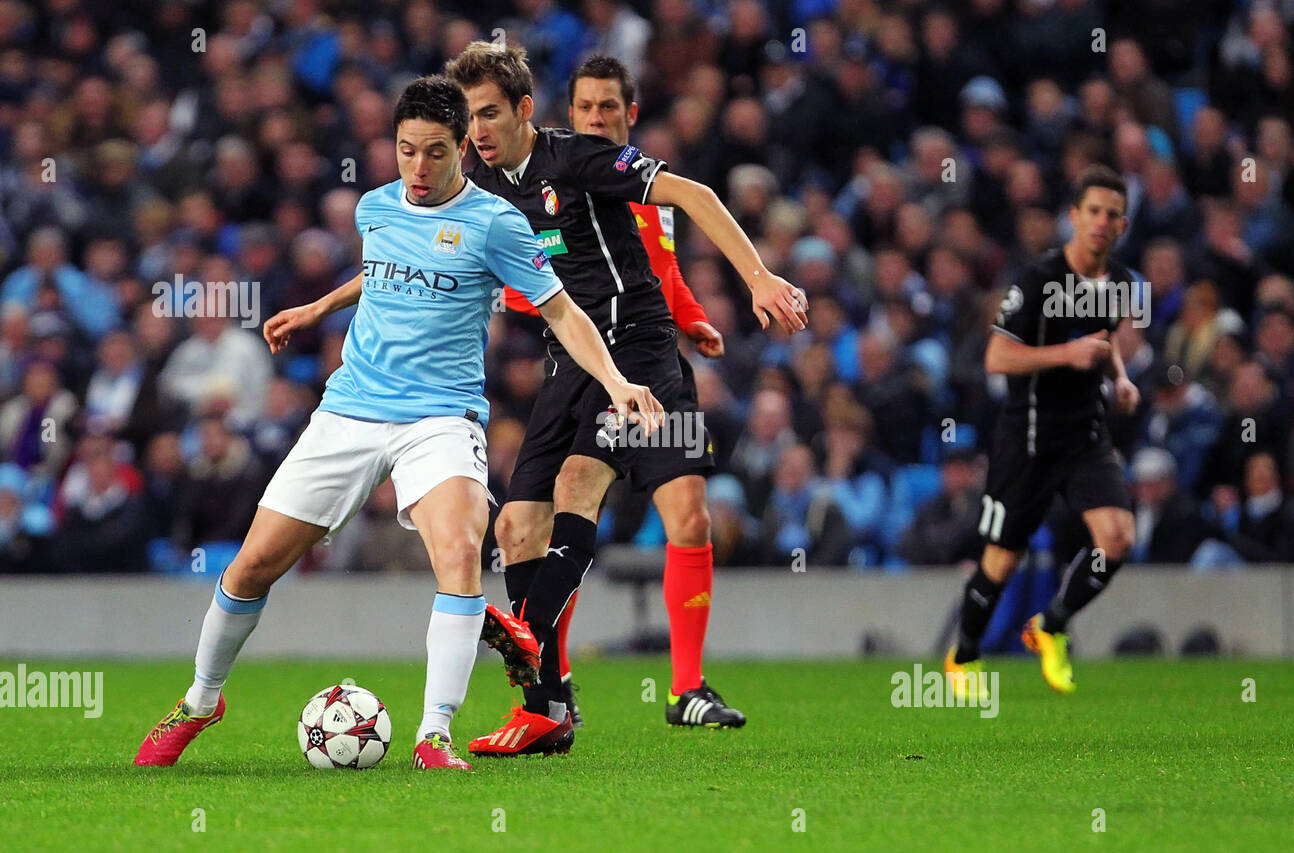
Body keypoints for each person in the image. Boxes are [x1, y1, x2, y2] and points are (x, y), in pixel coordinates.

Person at [133, 75, 661, 772]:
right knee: (253, 566)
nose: (417, 168)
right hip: (350, 409)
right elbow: (384, 271)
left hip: (440, 418)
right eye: (406, 150)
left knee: (459, 551)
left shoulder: (497, 224)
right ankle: (202, 700)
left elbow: (561, 309)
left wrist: (618, 380)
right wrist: (319, 308)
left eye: (435, 153)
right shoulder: (375, 207)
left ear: (462, 151)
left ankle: (432, 734)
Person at [445, 42, 806, 754]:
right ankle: (546, 705)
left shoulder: (579, 160)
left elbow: (692, 198)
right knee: (516, 528)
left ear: (523, 111)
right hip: (570, 360)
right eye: (467, 117)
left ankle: (676, 682)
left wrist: (758, 281)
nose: (476, 131)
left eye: (489, 113)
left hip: (642, 353)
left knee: (654, 504)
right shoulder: (480, 188)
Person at [498, 54, 732, 731]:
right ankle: (556, 679)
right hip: (584, 368)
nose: (595, 117)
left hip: (657, 362)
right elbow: (524, 282)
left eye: (608, 108)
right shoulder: (556, 183)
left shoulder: (640, 189)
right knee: (566, 501)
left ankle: (686, 688)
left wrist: (691, 317)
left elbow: (665, 269)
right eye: (584, 107)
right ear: (567, 115)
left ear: (630, 116)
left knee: (688, 512)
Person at [945, 165, 1141, 695]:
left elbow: (1106, 340)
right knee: (1001, 561)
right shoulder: (1037, 280)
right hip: (1028, 440)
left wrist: (1120, 378)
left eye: (1113, 215)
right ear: (1074, 217)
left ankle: (1050, 625)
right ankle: (963, 657)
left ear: (1122, 225)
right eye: (1093, 211)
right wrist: (1068, 354)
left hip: (1086, 437)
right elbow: (996, 357)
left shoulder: (1121, 282)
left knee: (1117, 539)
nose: (1102, 222)